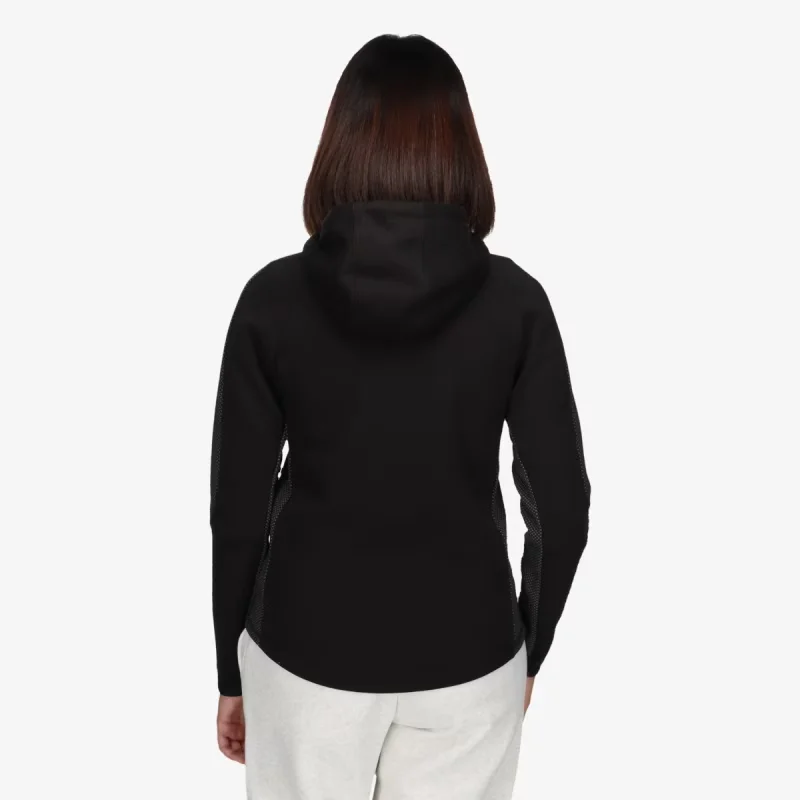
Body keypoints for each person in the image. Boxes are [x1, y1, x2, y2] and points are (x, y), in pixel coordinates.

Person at [210, 33, 590, 800]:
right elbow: (562, 506)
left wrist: (231, 671)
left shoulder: (271, 301)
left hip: (304, 657)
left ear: (339, 147)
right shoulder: (516, 304)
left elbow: (238, 512)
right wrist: (529, 644)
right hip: (470, 658)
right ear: (462, 153)